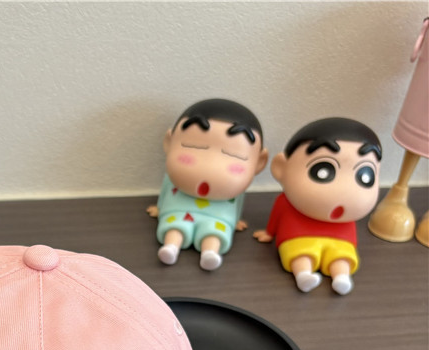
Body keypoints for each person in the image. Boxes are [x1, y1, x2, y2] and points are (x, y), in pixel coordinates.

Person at [254, 118, 382, 295]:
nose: (344, 189)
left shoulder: (347, 219)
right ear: (281, 168)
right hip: (298, 236)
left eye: (365, 176)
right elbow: (277, 216)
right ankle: (303, 276)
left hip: (340, 240)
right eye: (322, 171)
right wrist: (269, 233)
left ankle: (342, 278)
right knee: (300, 256)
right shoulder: (286, 203)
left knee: (341, 258)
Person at [149, 98, 268, 271]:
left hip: (218, 217)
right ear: (169, 143)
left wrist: (235, 220)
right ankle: (170, 247)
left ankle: (210, 253)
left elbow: (238, 204)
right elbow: (166, 193)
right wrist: (160, 208)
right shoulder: (170, 179)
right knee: (175, 228)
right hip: (178, 210)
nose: (210, 166)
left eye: (233, 155)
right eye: (194, 146)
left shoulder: (236, 193)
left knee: (214, 233)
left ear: (259, 162)